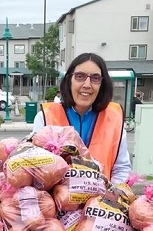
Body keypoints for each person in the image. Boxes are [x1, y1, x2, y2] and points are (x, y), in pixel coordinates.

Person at [32, 52, 131, 183]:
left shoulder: (113, 118)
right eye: (80, 76)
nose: (87, 84)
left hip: (101, 201)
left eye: (95, 78)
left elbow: (121, 168)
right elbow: (35, 167)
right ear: (69, 80)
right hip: (58, 201)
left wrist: (108, 198)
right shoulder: (45, 117)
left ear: (102, 84)